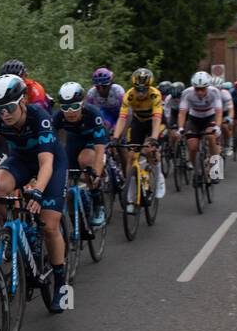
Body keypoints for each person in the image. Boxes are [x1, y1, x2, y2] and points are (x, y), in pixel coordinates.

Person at [0, 74, 69, 313]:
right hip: (19, 161)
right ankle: (8, 231)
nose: (4, 113)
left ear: (22, 102)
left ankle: (60, 282)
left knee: (49, 226)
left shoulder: (40, 118)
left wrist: (37, 191)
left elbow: (46, 163)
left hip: (50, 164)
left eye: (9, 107)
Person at [52, 81, 109, 227]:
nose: (70, 111)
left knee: (85, 161)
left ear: (82, 104)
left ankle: (98, 203)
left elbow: (100, 147)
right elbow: (49, 145)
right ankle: (77, 226)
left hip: (92, 142)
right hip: (73, 143)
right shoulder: (58, 117)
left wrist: (96, 171)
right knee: (67, 187)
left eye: (75, 106)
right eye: (65, 107)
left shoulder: (93, 114)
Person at [110, 68, 166, 206]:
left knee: (150, 150)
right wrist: (115, 138)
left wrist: (153, 138)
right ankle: (131, 187)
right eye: (138, 89)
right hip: (138, 122)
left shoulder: (155, 94)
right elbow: (122, 118)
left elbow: (157, 118)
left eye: (144, 89)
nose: (141, 93)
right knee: (131, 155)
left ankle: (159, 178)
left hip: (153, 122)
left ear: (149, 87)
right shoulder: (129, 95)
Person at [177, 71, 224, 182]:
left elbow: (219, 111)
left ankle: (216, 169)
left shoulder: (215, 92)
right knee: (192, 147)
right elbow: (182, 112)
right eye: (197, 89)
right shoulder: (187, 93)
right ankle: (197, 170)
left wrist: (217, 126)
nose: (200, 92)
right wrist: (180, 128)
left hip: (209, 117)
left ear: (208, 87)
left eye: (203, 89)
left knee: (211, 137)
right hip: (194, 118)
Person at [85, 67, 125, 132]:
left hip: (120, 113)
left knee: (118, 132)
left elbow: (128, 111)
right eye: (97, 87)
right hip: (106, 113)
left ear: (110, 84)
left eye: (104, 86)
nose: (101, 90)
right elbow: (88, 113)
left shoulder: (118, 90)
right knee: (103, 128)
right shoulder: (91, 93)